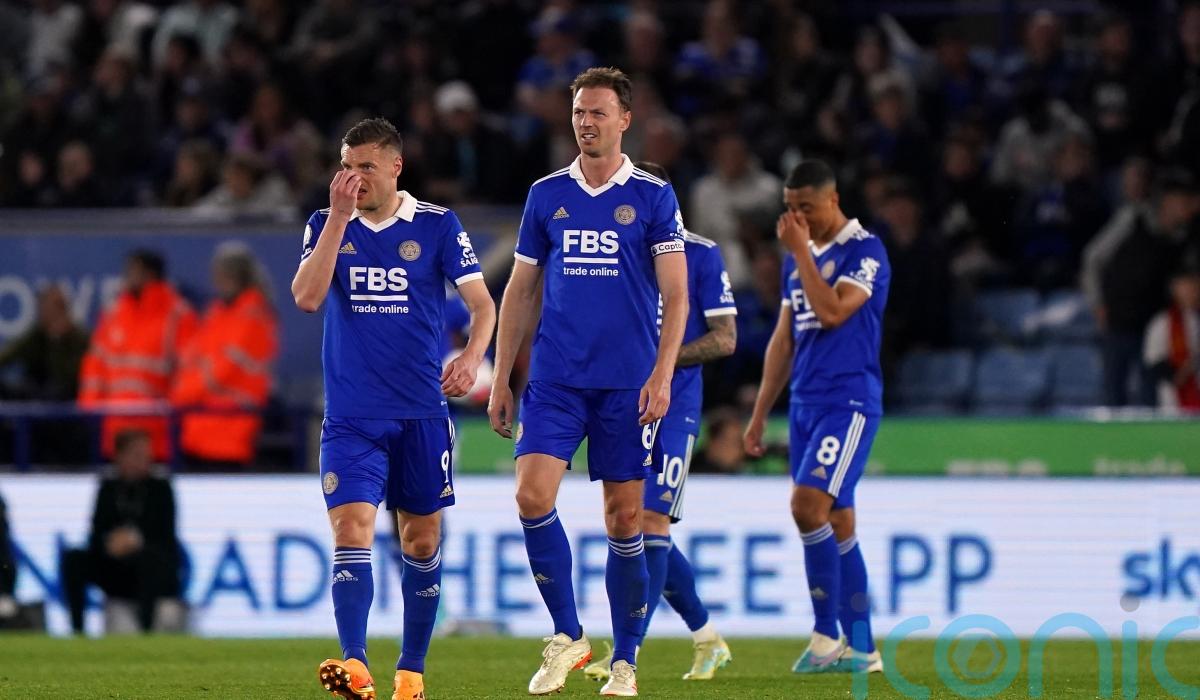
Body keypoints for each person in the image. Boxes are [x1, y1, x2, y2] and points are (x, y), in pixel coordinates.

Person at [488, 67, 688, 697]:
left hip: (627, 384)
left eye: (598, 112)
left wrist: (662, 373)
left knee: (624, 519)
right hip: (556, 379)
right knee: (531, 496)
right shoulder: (547, 194)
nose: (586, 122)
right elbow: (521, 289)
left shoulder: (653, 197)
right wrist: (502, 376)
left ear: (625, 119)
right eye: (579, 112)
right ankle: (569, 635)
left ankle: (624, 661)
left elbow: (678, 296)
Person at [291, 117, 495, 700]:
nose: (354, 179)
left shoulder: (436, 224)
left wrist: (471, 357)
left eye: (366, 168)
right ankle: (356, 666)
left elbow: (483, 306)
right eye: (346, 167)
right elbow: (306, 298)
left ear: (396, 167)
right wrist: (337, 218)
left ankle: (411, 673)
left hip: (422, 413)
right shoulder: (325, 224)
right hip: (352, 416)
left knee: (421, 542)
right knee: (350, 530)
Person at [584, 160, 736, 683]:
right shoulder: (611, 251)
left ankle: (627, 653)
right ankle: (707, 637)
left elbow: (725, 339)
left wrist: (662, 364)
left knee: (650, 522)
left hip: (673, 405)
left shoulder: (700, 254)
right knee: (639, 525)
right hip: (620, 403)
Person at [743, 160, 890, 674]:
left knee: (807, 507)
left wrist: (802, 252)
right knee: (839, 521)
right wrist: (760, 413)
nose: (796, 219)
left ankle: (826, 635)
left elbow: (831, 312)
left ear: (833, 199)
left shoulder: (865, 250)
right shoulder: (797, 260)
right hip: (805, 403)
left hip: (847, 402)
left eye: (805, 207)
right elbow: (784, 341)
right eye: (790, 209)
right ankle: (863, 647)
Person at [79, 250, 198, 462]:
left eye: (132, 271)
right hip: (113, 430)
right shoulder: (114, 312)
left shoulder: (177, 315)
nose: (126, 277)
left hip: (156, 433)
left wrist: (173, 416)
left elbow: (189, 372)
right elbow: (95, 366)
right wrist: (90, 411)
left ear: (149, 274)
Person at [60, 429, 182, 634]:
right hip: (114, 565)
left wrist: (135, 541)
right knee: (74, 559)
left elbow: (165, 535)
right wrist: (111, 542)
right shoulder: (108, 488)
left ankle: (147, 629)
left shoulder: (161, 488)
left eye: (147, 455)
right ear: (119, 456)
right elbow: (96, 532)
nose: (145, 460)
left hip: (149, 566)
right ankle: (77, 630)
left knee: (150, 559)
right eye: (137, 455)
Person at [171, 242, 279, 469]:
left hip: (231, 432)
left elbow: (220, 373)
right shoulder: (217, 313)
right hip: (199, 428)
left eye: (221, 274)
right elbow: (192, 360)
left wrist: (182, 393)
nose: (216, 281)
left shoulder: (253, 317)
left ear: (235, 276)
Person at [0, 284, 88, 400]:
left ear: (62, 310)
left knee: (56, 391)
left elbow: (67, 378)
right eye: (42, 307)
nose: (42, 313)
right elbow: (9, 354)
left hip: (64, 398)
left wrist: (57, 341)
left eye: (48, 308)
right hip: (34, 393)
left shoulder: (79, 338)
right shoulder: (37, 333)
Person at [1144, 261, 1200, 410]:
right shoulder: (1163, 323)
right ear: (1175, 290)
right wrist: (1182, 373)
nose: (1192, 292)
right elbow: (1154, 360)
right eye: (1186, 287)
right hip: (1175, 401)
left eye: (1195, 287)